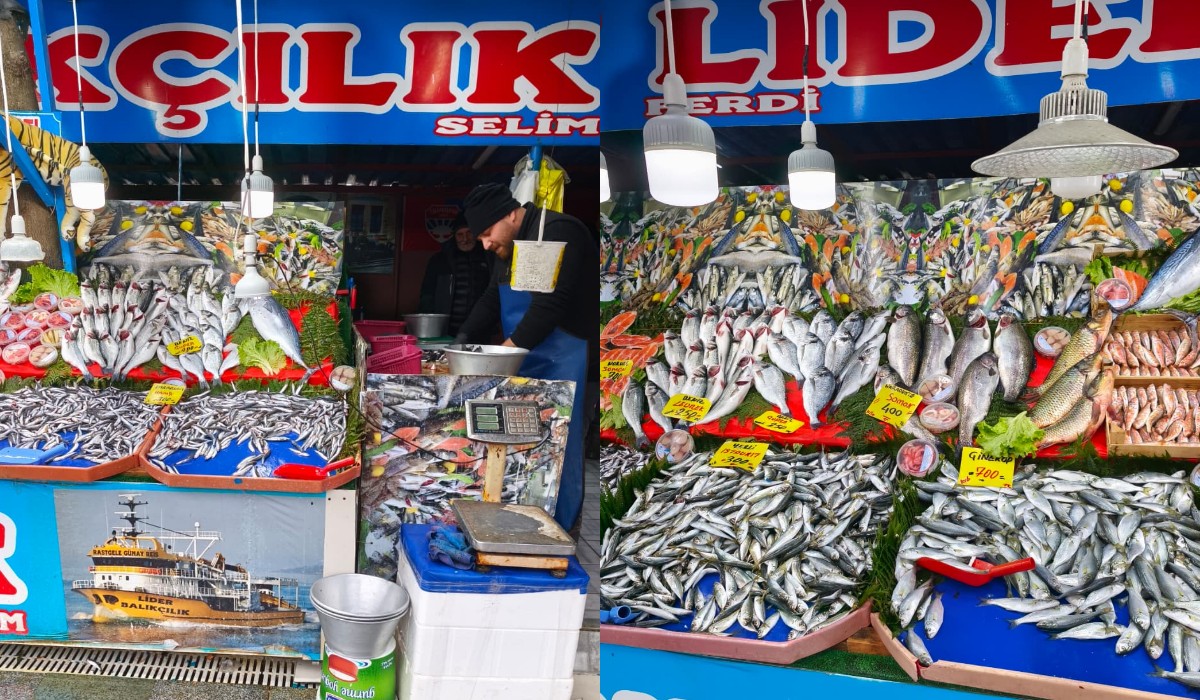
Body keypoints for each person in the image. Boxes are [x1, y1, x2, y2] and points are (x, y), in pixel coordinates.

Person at [455, 183, 598, 530]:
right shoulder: (506, 247)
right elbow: (492, 297)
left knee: (562, 449)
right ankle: (522, 526)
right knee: (527, 450)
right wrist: (461, 340)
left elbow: (551, 304)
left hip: (570, 362)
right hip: (527, 362)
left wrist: (507, 351)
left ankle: (562, 532)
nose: (485, 244)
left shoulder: (559, 231)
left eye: (487, 233)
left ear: (509, 214)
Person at [418, 214, 493, 337]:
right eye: (460, 234)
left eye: (469, 233)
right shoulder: (439, 260)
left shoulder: (488, 258)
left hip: (480, 330)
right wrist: (429, 325)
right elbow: (427, 294)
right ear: (454, 236)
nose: (465, 239)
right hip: (446, 330)